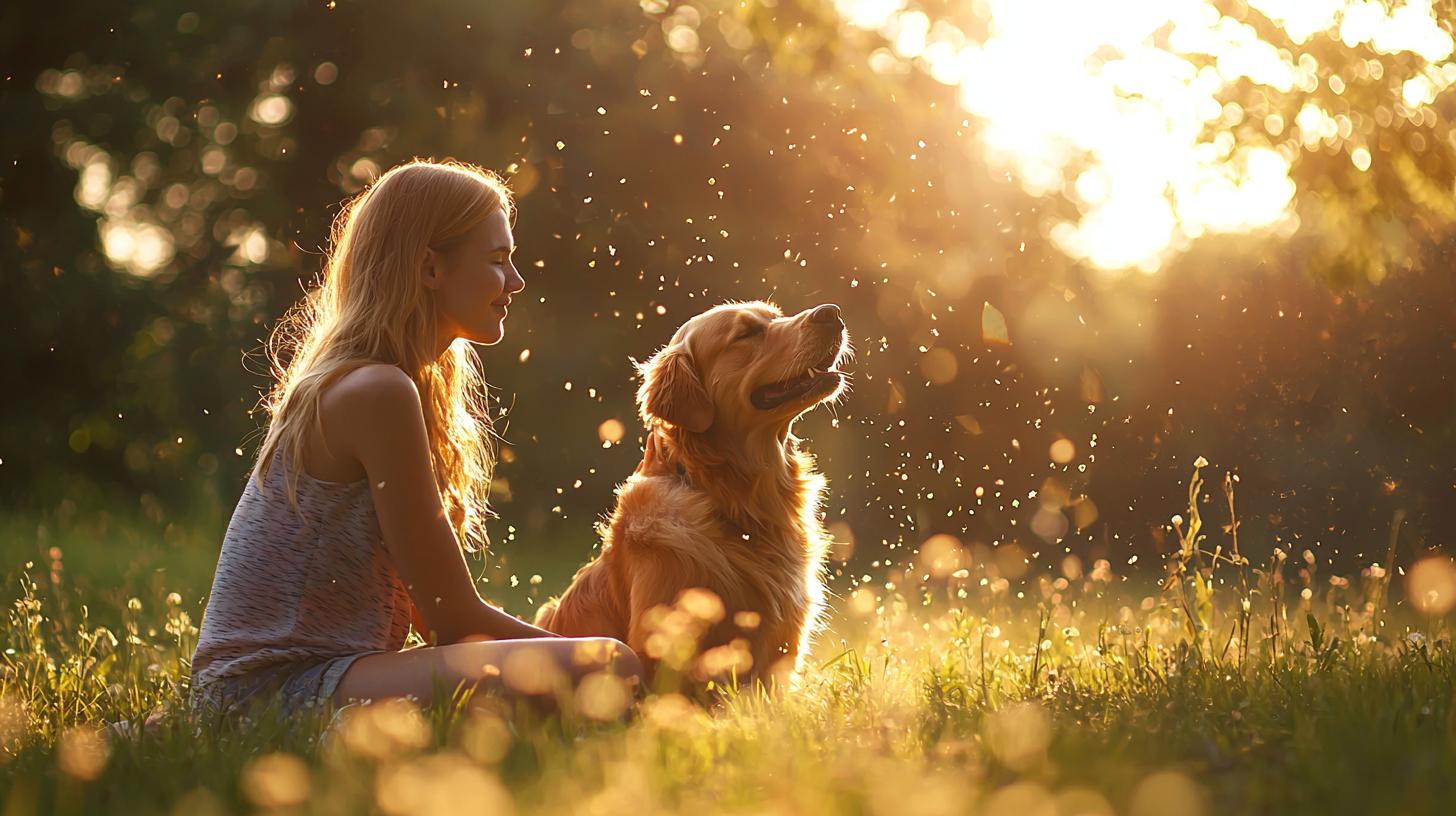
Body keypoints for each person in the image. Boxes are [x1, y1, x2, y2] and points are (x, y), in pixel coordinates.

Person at [190, 160, 643, 719]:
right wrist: (609, 659)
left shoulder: (385, 386)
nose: (517, 281)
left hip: (302, 681)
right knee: (610, 668)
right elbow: (456, 621)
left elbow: (436, 625)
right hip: (269, 692)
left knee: (599, 666)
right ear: (430, 268)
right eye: (498, 260)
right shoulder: (377, 390)